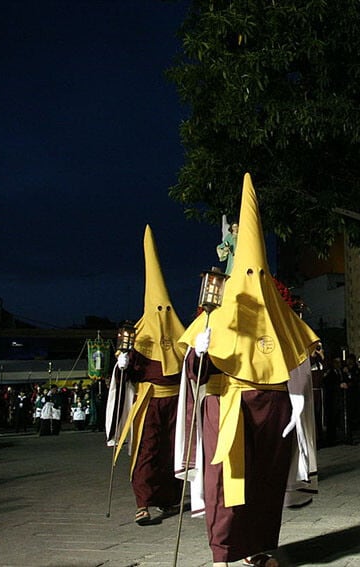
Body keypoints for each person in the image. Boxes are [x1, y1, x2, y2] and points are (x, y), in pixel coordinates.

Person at [176, 173, 320, 567]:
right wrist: (199, 351)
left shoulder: (278, 309)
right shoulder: (219, 307)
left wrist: (296, 401)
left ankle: (258, 548)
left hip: (272, 408)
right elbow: (194, 370)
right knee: (226, 482)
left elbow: (300, 358)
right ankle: (224, 553)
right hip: (228, 405)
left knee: (266, 483)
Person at [107, 226, 186, 526]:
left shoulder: (180, 335)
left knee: (171, 451)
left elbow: (189, 365)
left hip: (175, 402)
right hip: (150, 402)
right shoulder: (137, 338)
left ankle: (168, 498)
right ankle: (143, 501)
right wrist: (123, 364)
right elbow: (124, 374)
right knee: (147, 449)